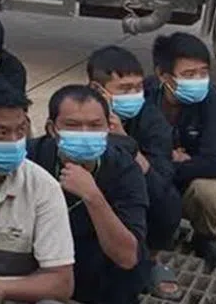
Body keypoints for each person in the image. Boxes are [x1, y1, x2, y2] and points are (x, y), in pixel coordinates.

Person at [0, 76, 75, 302]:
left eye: (20, 130)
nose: (14, 140)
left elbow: (61, 281)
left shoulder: (42, 186)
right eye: (1, 133)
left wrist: (0, 288)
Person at [29, 85, 148, 304]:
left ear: (107, 128)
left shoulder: (125, 169)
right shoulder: (31, 158)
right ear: (52, 129)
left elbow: (127, 256)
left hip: (104, 285)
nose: (85, 134)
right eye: (72, 126)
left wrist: (93, 196)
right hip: (42, 277)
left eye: (95, 126)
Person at [87, 44, 183, 299]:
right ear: (98, 90)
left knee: (169, 201)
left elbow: (161, 177)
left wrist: (123, 140)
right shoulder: (77, 111)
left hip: (136, 195)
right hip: (89, 194)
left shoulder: (151, 120)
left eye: (138, 88)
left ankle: (150, 259)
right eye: (125, 89)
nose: (134, 95)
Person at [147, 32, 216, 274]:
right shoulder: (143, 95)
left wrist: (159, 163)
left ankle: (205, 237)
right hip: (149, 181)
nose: (198, 80)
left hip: (185, 184)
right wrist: (174, 160)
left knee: (212, 192)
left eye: (203, 72)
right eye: (188, 74)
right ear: (163, 75)